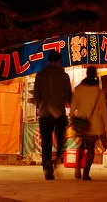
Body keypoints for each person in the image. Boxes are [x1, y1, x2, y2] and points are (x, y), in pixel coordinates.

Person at [32, 50, 73, 180]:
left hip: (44, 114)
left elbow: (36, 97)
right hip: (59, 113)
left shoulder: (39, 75)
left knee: (46, 144)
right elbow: (68, 96)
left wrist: (41, 104)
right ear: (59, 61)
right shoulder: (64, 76)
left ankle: (47, 170)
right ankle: (57, 159)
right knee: (60, 140)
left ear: (48, 60)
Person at [69, 65, 107, 181]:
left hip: (81, 122)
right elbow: (103, 110)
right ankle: (86, 173)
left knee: (81, 146)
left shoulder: (78, 89)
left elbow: (73, 107)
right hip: (93, 124)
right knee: (91, 148)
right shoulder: (98, 91)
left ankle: (77, 166)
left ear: (86, 74)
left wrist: (71, 117)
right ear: (95, 75)